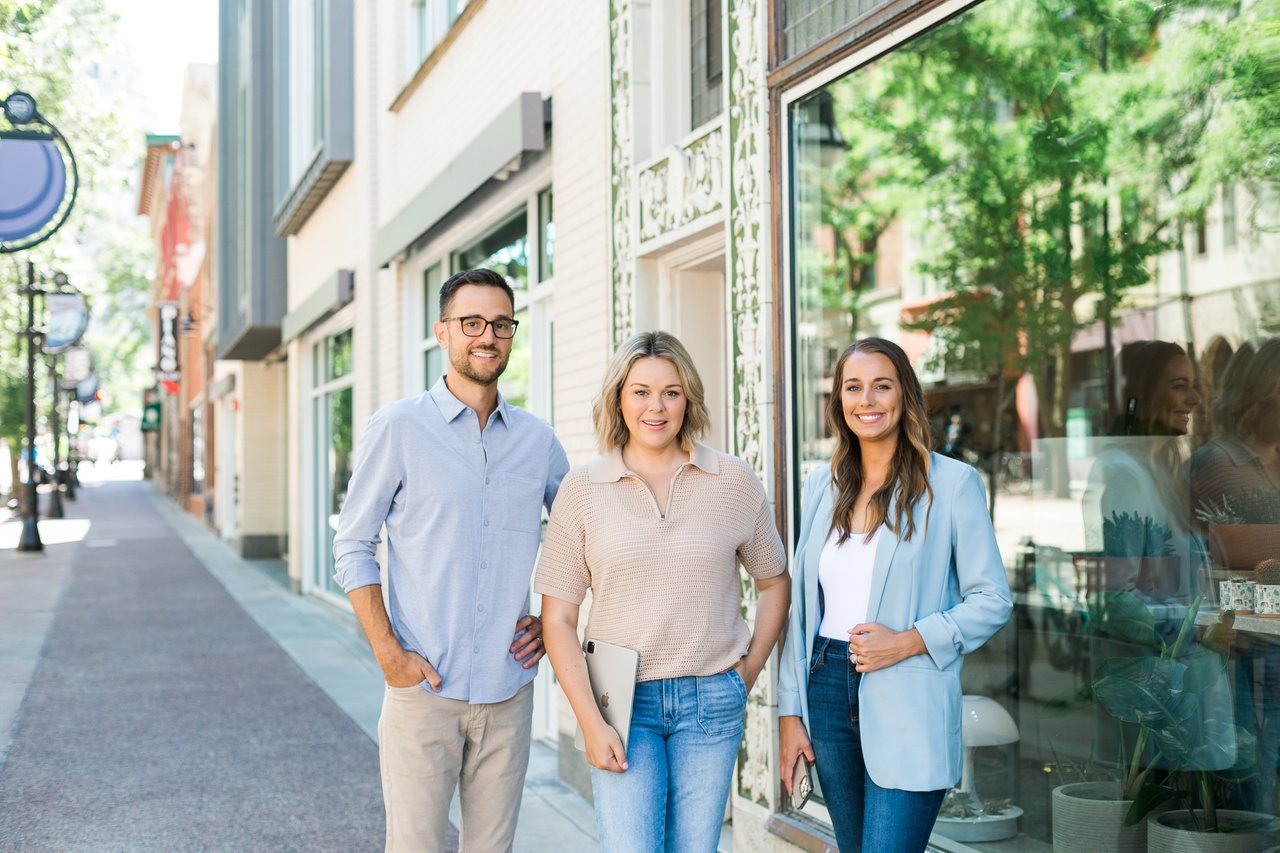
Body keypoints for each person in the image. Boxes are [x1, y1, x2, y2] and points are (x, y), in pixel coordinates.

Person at [333, 268, 569, 852]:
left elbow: (582, 542)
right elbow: (352, 543)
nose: (487, 336)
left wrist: (553, 620)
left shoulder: (538, 442)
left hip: (508, 692)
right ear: (443, 332)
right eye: (472, 323)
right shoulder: (399, 428)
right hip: (423, 694)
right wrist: (389, 654)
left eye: (501, 324)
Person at [536, 331, 789, 852]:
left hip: (711, 697)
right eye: (641, 392)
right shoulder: (583, 491)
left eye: (671, 392)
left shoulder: (733, 480)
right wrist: (589, 719)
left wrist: (749, 670)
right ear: (619, 400)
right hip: (619, 701)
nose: (656, 407)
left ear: (688, 399)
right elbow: (557, 619)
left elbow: (774, 581)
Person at [776, 337, 1012, 853]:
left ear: (904, 394)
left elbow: (992, 598)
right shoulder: (822, 486)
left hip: (907, 692)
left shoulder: (951, 484)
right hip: (827, 690)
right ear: (839, 401)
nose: (868, 400)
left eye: (882, 386)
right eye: (853, 388)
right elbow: (801, 613)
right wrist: (789, 714)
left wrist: (908, 641)